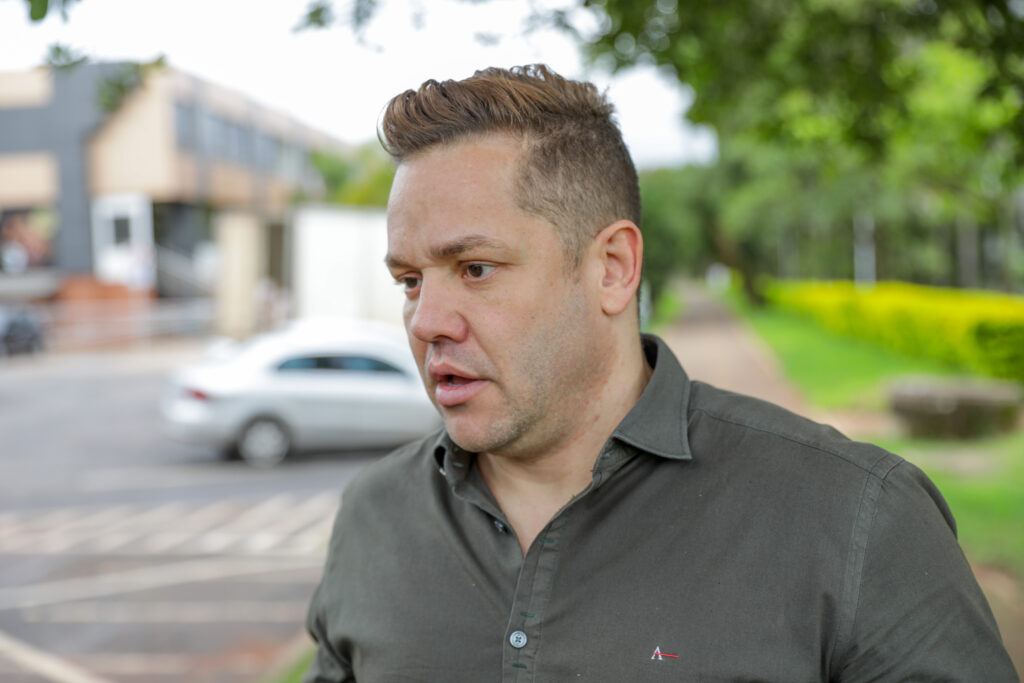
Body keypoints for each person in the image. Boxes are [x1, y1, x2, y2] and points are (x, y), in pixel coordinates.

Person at [304, 64, 1017, 681]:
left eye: (475, 268)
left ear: (613, 268)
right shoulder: (374, 514)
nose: (426, 320)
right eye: (409, 281)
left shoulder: (858, 518)